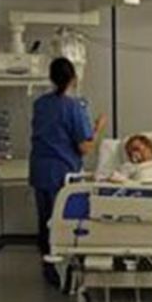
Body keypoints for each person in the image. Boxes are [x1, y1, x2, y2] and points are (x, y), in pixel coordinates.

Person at [29, 57, 106, 286]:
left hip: (40, 170)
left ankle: (49, 267)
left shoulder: (40, 104)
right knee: (61, 222)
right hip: (61, 172)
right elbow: (84, 147)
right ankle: (60, 271)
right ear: (74, 78)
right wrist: (98, 128)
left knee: (45, 220)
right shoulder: (74, 107)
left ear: (51, 78)